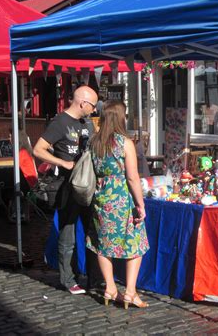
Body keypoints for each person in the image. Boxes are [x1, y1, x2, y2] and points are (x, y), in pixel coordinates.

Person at [33, 85, 98, 295]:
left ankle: (92, 277)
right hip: (67, 187)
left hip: (88, 186)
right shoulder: (60, 122)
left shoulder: (87, 123)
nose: (94, 110)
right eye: (93, 105)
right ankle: (68, 279)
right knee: (68, 232)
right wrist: (61, 162)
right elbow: (38, 149)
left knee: (92, 232)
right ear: (83, 103)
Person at [85, 100, 149, 309]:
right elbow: (132, 178)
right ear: (121, 117)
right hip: (122, 199)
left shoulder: (94, 142)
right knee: (135, 243)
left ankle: (110, 288)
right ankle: (130, 292)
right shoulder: (124, 143)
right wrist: (140, 204)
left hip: (101, 198)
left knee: (103, 245)